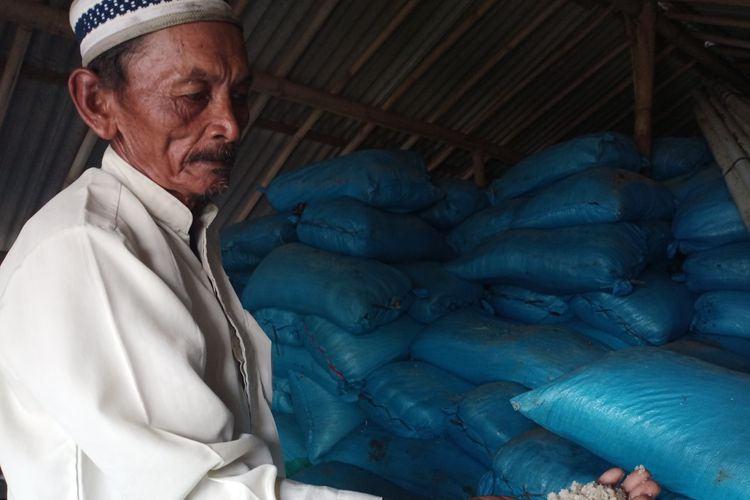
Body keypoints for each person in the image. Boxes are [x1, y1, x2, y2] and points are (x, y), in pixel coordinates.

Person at [0, 1, 661, 499]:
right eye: (192, 96)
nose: (230, 123)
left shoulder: (183, 235)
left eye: (239, 93)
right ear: (96, 102)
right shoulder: (89, 250)